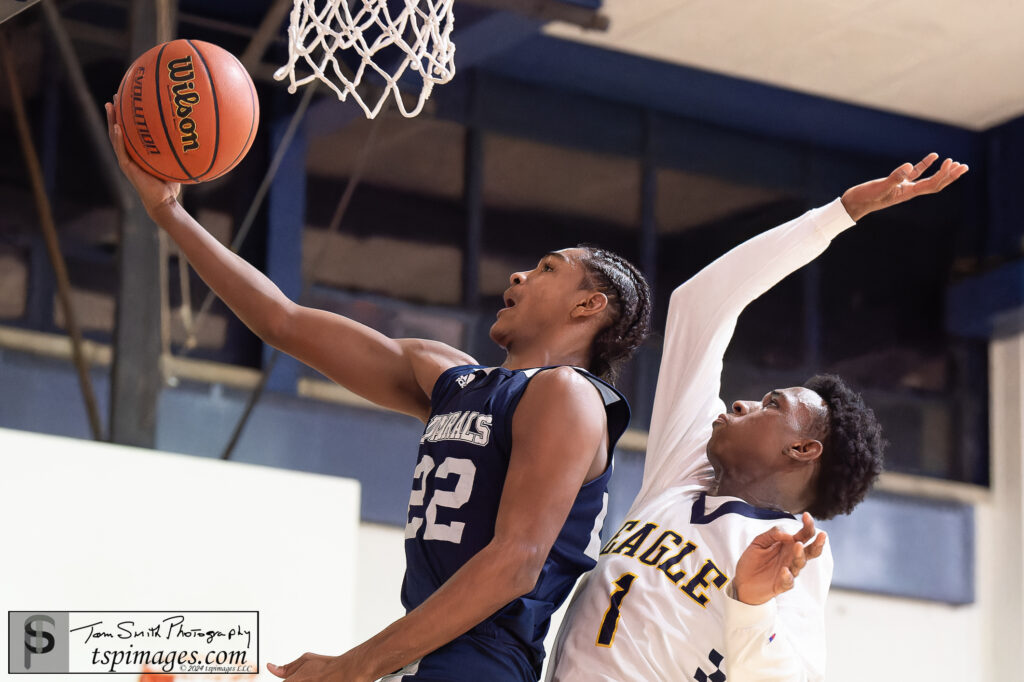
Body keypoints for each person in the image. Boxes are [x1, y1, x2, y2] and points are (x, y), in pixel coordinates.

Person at [105, 96, 652, 682]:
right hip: (418, 653)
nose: (519, 275)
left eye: (547, 268)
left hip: (482, 661)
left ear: (588, 306)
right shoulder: (452, 379)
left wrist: (351, 667)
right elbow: (282, 322)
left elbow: (515, 564)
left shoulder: (567, 395)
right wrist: (167, 212)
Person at [545, 154, 969, 681]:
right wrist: (839, 214)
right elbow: (698, 305)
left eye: (772, 405)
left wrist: (753, 604)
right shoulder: (682, 473)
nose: (739, 404)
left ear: (802, 450)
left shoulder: (795, 554)